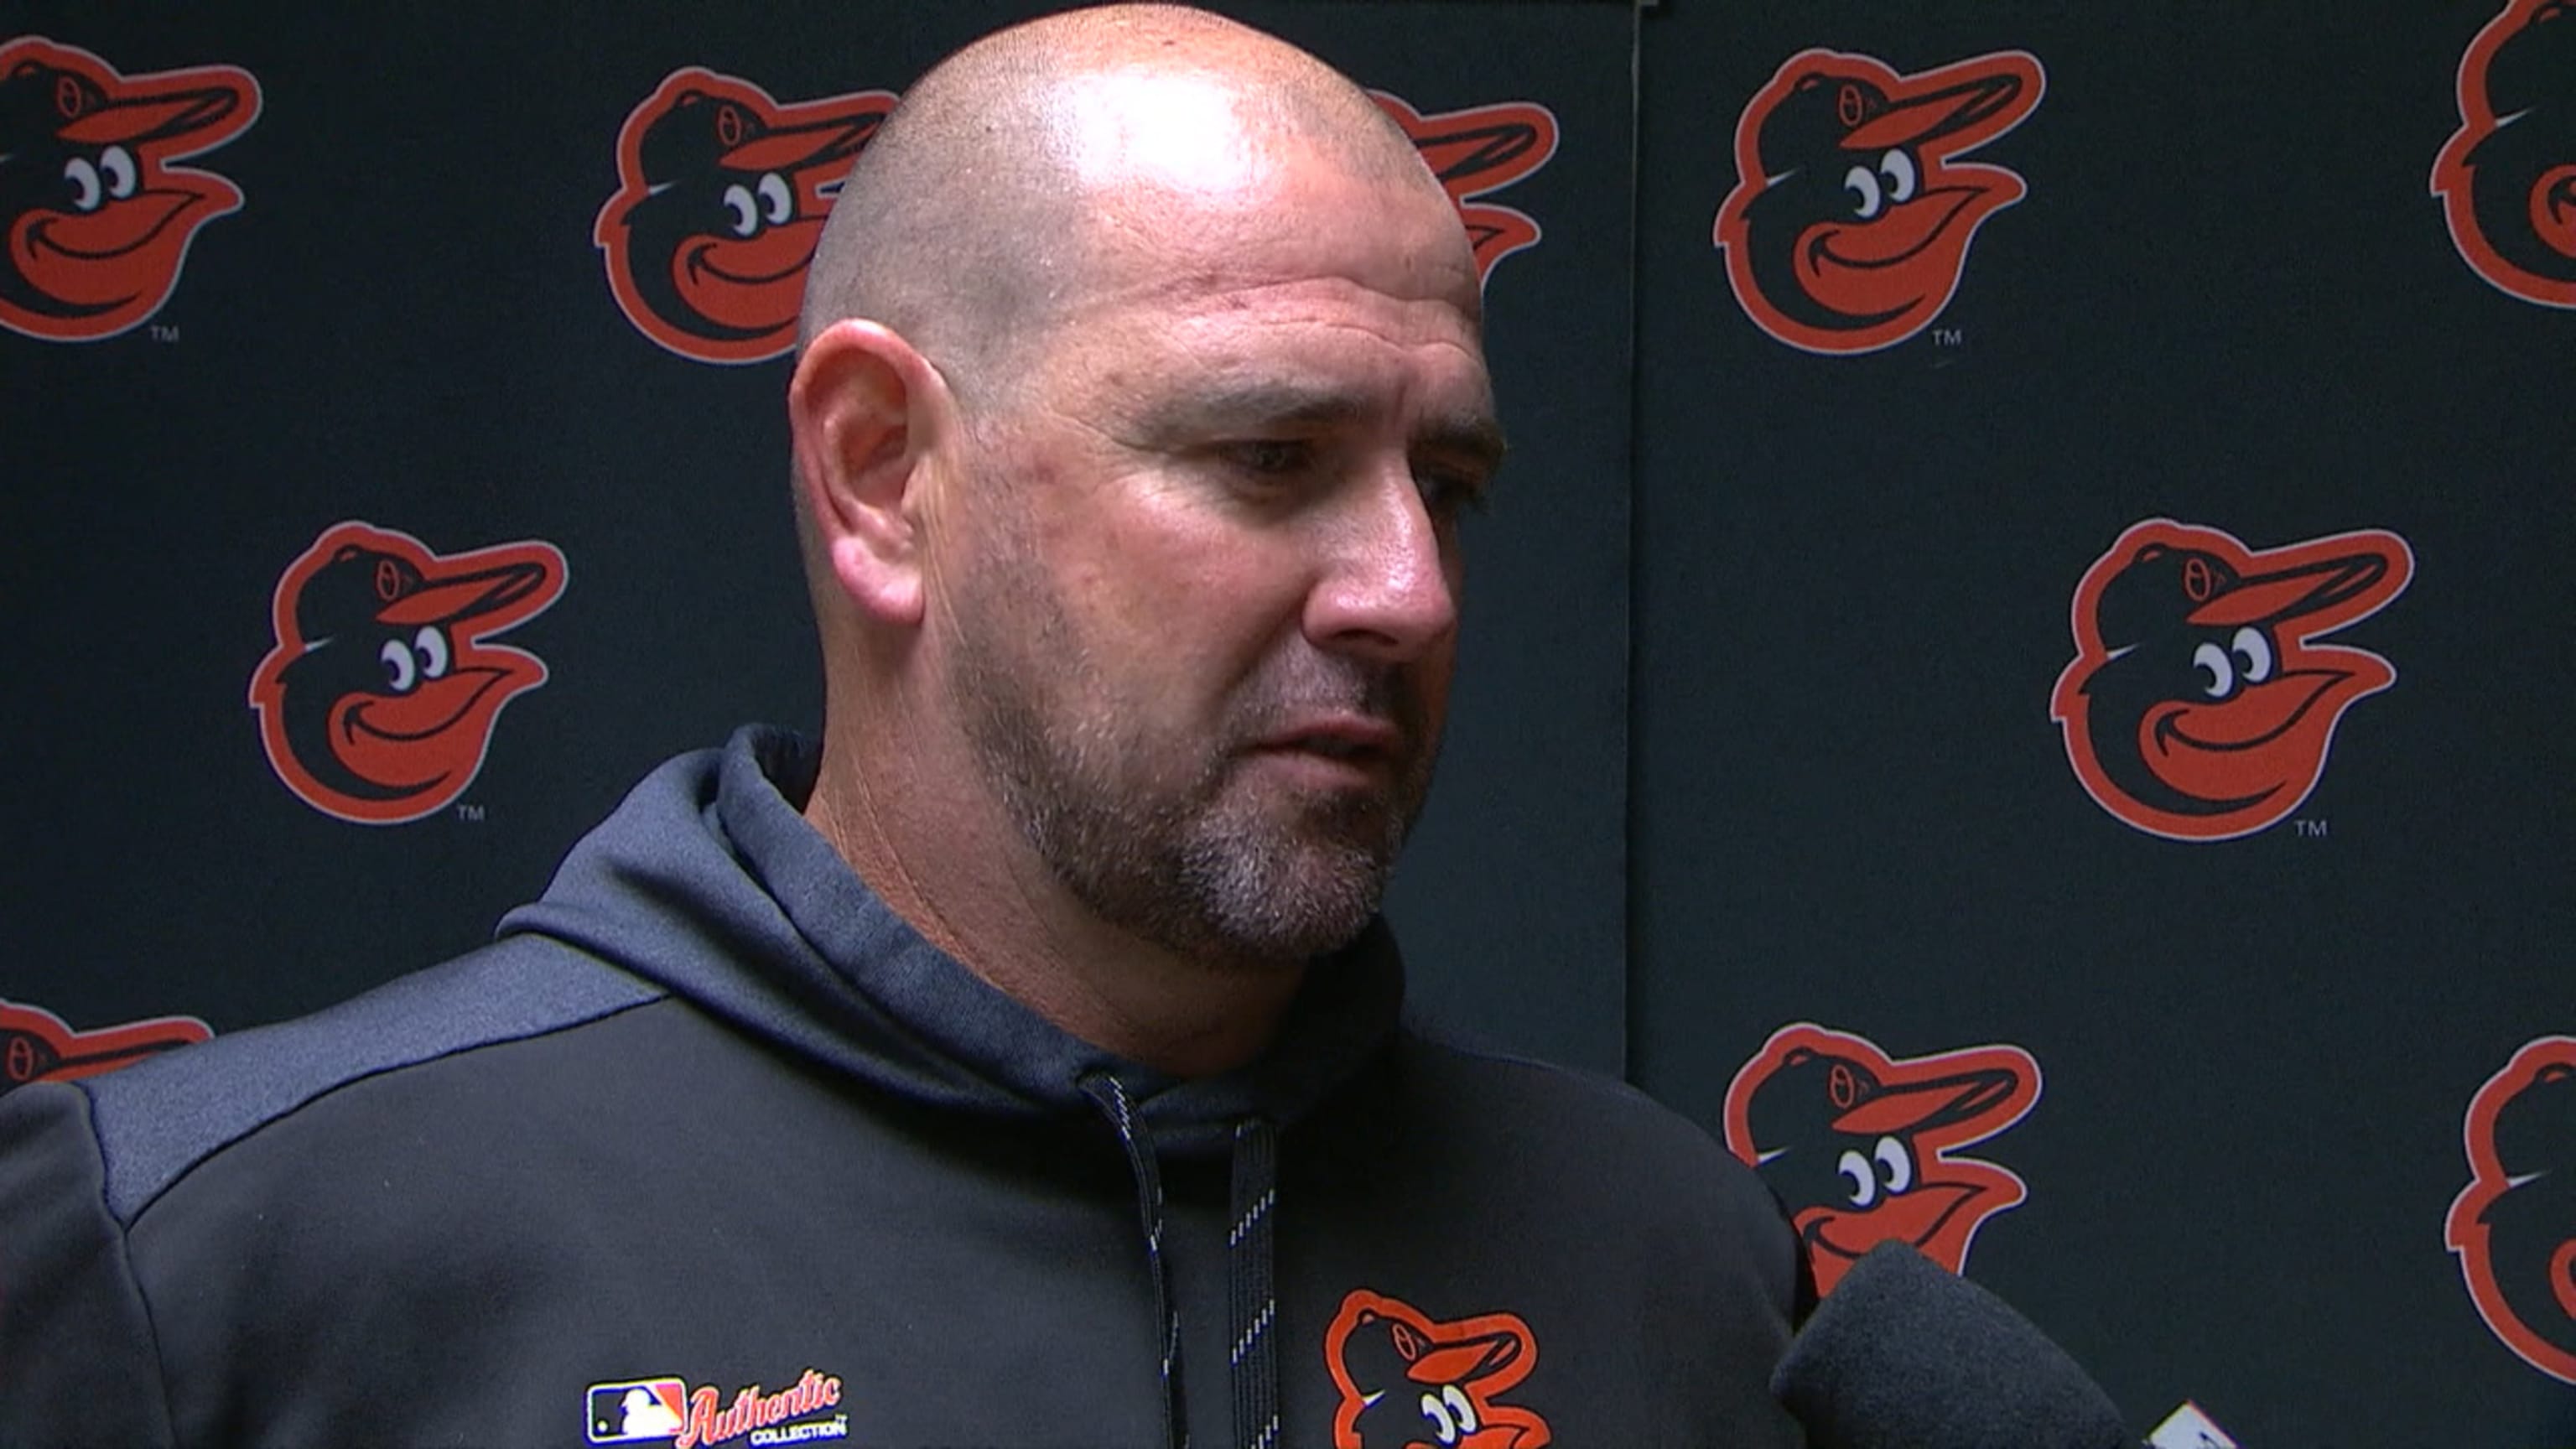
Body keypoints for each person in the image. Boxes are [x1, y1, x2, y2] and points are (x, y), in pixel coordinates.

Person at [0, 8, 1808, 1446]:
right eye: (1270, 459)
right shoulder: (213, 1261)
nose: (1406, 592)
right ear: (881, 474)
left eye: (1451, 484)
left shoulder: (1679, 1268)